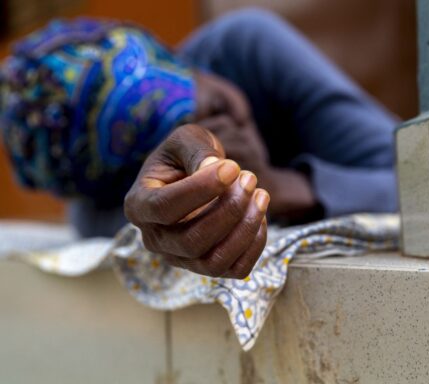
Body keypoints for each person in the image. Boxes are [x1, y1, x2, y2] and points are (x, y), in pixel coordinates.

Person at [0, 9, 398, 278]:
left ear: (175, 57)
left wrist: (284, 187)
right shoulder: (106, 206)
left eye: (187, 88)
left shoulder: (247, 47)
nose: (216, 117)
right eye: (170, 127)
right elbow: (106, 223)